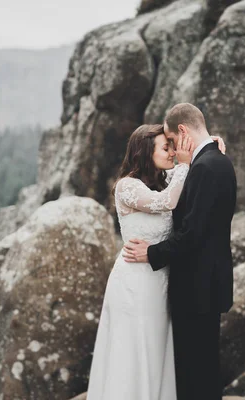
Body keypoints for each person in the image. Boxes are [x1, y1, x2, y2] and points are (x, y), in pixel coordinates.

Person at [86, 122, 226, 400]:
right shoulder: (127, 186)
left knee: (156, 348)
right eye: (166, 147)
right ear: (145, 151)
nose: (173, 152)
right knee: (132, 351)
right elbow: (167, 202)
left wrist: (207, 144)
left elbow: (193, 165)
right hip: (134, 284)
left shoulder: (164, 177)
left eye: (173, 146)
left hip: (159, 282)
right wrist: (186, 164)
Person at [123, 103, 237, 400]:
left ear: (183, 131)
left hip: (197, 288)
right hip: (204, 285)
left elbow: (192, 234)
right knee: (202, 370)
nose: (172, 151)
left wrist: (152, 253)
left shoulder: (204, 168)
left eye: (172, 141)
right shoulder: (217, 160)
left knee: (194, 375)